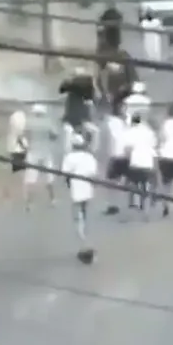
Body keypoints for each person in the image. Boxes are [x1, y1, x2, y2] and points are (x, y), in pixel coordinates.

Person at [61, 134, 99, 264]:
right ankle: (88, 244)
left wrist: (68, 184)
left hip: (76, 191)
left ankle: (85, 247)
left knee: (78, 220)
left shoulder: (69, 157)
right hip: (88, 190)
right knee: (86, 218)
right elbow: (94, 175)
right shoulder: (89, 157)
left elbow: (65, 174)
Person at [23, 104, 58, 210]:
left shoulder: (29, 122)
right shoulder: (48, 122)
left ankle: (29, 203)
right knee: (49, 177)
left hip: (33, 152)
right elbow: (55, 135)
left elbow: (25, 135)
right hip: (46, 152)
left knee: (31, 178)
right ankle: (52, 200)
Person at [124, 113, 157, 216]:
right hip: (148, 163)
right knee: (146, 184)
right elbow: (154, 146)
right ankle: (146, 208)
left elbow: (127, 149)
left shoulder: (130, 132)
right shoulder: (149, 132)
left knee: (133, 183)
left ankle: (133, 203)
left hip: (135, 162)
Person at [103, 102, 130, 215]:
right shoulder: (114, 122)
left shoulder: (126, 120)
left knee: (118, 181)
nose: (125, 111)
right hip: (117, 154)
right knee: (112, 181)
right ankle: (113, 205)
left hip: (125, 154)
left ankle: (124, 204)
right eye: (123, 109)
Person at [6, 106, 28, 198]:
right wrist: (25, 147)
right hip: (21, 150)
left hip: (13, 149)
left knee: (14, 171)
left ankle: (11, 192)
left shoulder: (12, 122)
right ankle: (22, 192)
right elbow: (20, 136)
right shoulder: (22, 119)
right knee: (22, 172)